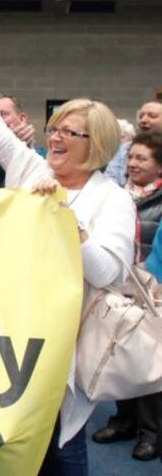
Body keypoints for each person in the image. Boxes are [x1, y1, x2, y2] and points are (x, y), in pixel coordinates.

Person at [0, 22, 135, 475]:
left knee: (58, 456)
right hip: (4, 340)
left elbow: (108, 273)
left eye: (69, 133)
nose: (54, 137)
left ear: (97, 145)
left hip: (60, 361)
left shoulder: (113, 199)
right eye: (55, 128)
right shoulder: (28, 167)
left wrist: (64, 218)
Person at [91, 129, 162, 461]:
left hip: (153, 286)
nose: (132, 163)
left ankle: (151, 432)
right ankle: (123, 419)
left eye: (141, 158)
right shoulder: (117, 193)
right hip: (123, 284)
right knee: (120, 351)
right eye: (130, 157)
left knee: (148, 362)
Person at [107, 101, 162, 185]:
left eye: (152, 116)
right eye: (141, 116)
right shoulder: (124, 149)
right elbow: (110, 179)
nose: (143, 120)